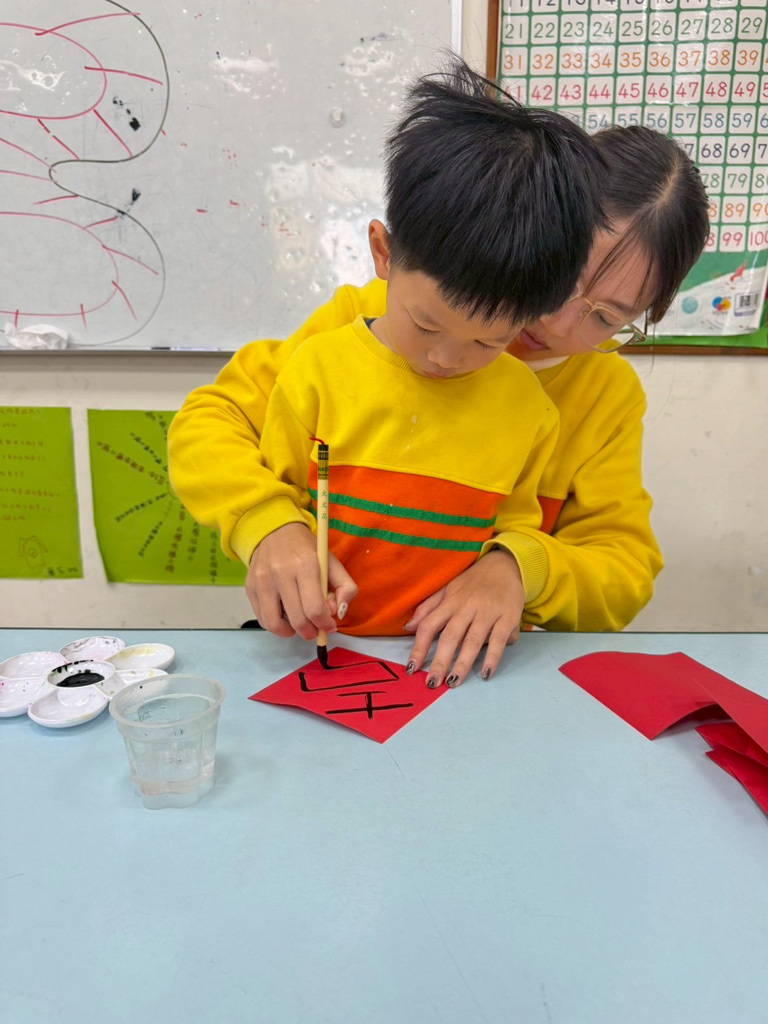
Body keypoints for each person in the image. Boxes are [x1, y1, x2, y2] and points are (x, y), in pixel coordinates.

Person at [169, 96, 709, 688]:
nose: (555, 325)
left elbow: (624, 569)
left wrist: (518, 569)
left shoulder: (603, 393)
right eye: (559, 282)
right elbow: (211, 420)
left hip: (467, 672)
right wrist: (266, 522)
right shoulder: (374, 323)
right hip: (323, 648)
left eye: (604, 317)